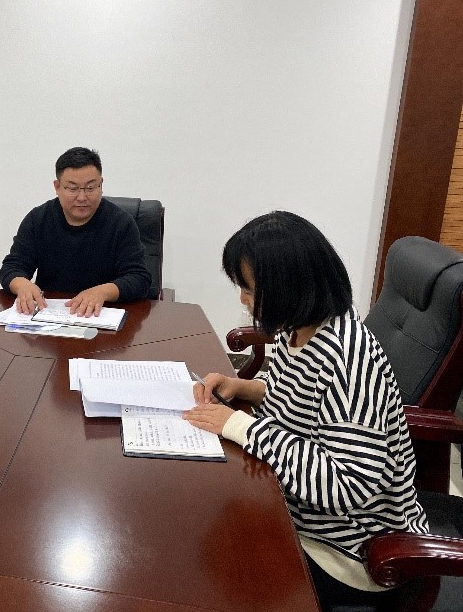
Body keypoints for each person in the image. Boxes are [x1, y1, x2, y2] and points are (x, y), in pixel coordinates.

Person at [183, 211, 428, 610]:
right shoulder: (297, 329)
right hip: (294, 509)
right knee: (200, 526)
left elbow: (346, 485)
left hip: (350, 550)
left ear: (289, 287)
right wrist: (243, 388)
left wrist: (241, 426)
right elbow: (296, 400)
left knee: (211, 575)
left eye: (248, 289)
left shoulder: (349, 360)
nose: (242, 299)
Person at [0, 147, 151, 317]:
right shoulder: (38, 219)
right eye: (73, 188)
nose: (82, 197)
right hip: (50, 318)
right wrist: (23, 286)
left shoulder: (121, 223)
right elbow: (12, 267)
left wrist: (102, 292)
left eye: (90, 188)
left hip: (101, 316)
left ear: (101, 184)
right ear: (57, 187)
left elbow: (139, 278)